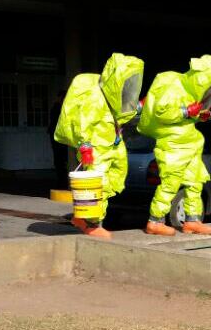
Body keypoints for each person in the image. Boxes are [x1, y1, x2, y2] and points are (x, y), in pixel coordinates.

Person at [54, 53, 144, 239]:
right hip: (97, 145)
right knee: (98, 183)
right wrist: (86, 145)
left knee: (115, 176)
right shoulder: (96, 97)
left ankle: (83, 217)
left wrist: (139, 106)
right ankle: (92, 223)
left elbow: (123, 112)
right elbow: (83, 122)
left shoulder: (113, 97)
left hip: (112, 142)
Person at [137, 54, 211, 236]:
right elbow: (162, 113)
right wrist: (186, 111)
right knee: (170, 183)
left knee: (195, 182)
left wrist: (197, 115)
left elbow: (183, 116)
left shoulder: (190, 91)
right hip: (173, 144)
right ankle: (155, 221)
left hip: (189, 142)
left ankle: (192, 221)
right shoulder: (174, 84)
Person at [48, 90, 68, 189]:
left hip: (57, 137)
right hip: (59, 137)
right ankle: (62, 181)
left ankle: (62, 181)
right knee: (61, 160)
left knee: (60, 160)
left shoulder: (56, 108)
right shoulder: (58, 108)